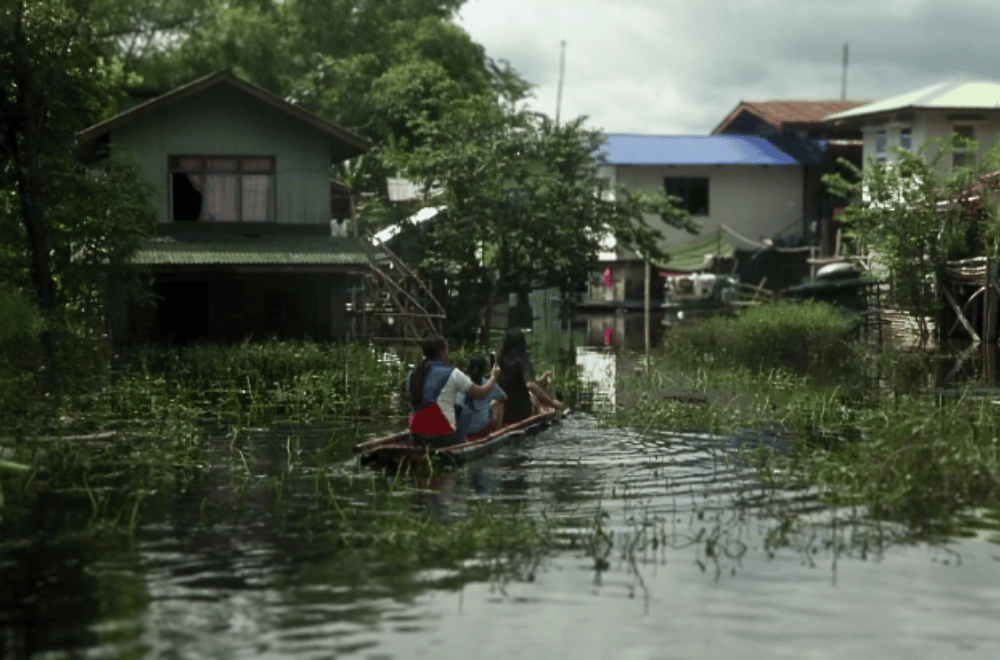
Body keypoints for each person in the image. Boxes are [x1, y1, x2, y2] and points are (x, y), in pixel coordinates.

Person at [407, 335, 500, 448]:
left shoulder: (414, 374)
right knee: (465, 409)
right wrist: (494, 377)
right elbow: (482, 393)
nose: (448, 354)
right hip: (441, 436)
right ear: (441, 352)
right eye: (447, 350)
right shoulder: (452, 372)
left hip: (415, 434)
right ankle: (460, 443)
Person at [497, 328, 562, 425]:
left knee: (532, 395)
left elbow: (515, 383)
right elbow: (530, 385)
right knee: (532, 396)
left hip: (503, 411)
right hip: (521, 412)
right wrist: (552, 402)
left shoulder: (500, 360)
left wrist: (541, 379)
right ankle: (540, 413)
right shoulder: (523, 361)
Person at [456, 353, 507, 441]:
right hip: (482, 431)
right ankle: (497, 433)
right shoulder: (488, 383)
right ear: (484, 370)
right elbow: (504, 398)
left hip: (461, 432)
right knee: (497, 404)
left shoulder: (458, 382)